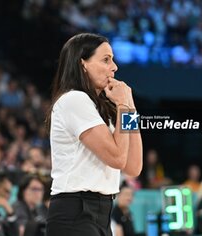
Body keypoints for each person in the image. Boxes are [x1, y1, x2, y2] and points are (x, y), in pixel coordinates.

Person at [45, 33, 143, 236]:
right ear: (83, 64)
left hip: (102, 212)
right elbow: (116, 158)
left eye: (113, 60)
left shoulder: (103, 108)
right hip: (75, 211)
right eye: (106, 60)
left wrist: (130, 106)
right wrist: (123, 105)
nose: (114, 67)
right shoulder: (74, 99)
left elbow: (133, 166)